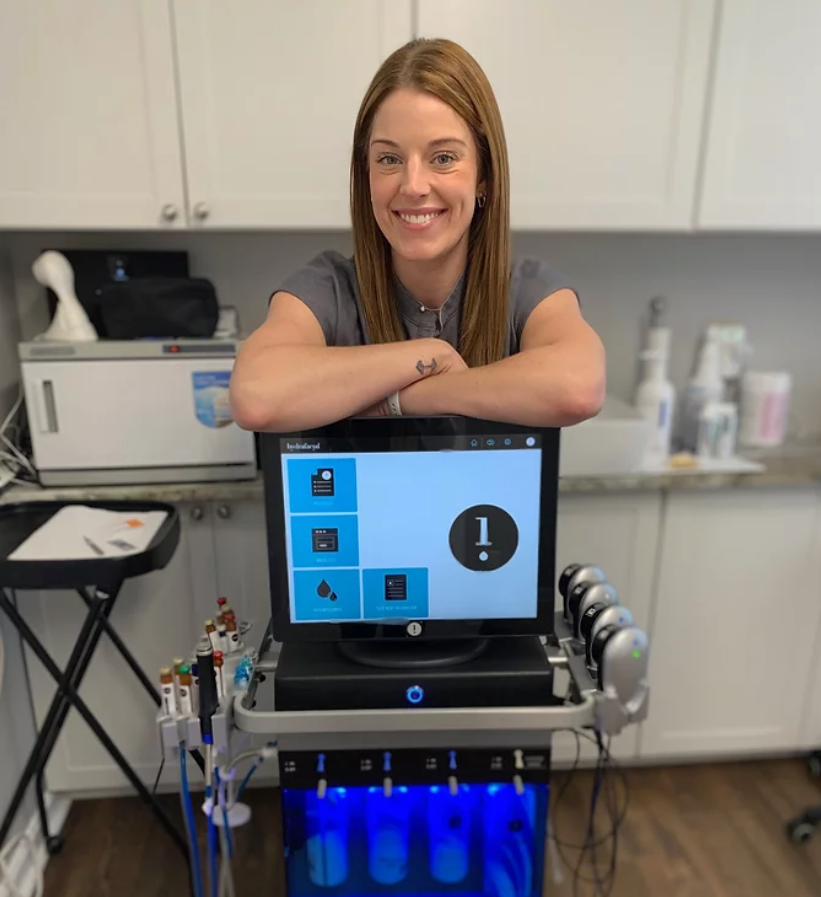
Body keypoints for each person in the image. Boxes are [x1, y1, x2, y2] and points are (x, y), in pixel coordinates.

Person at [230, 38, 605, 433]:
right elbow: (256, 395)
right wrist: (431, 355)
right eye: (389, 159)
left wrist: (409, 399)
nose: (413, 186)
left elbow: (578, 388)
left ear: (484, 177)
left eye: (443, 158)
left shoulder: (526, 290)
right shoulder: (329, 289)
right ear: (366, 175)